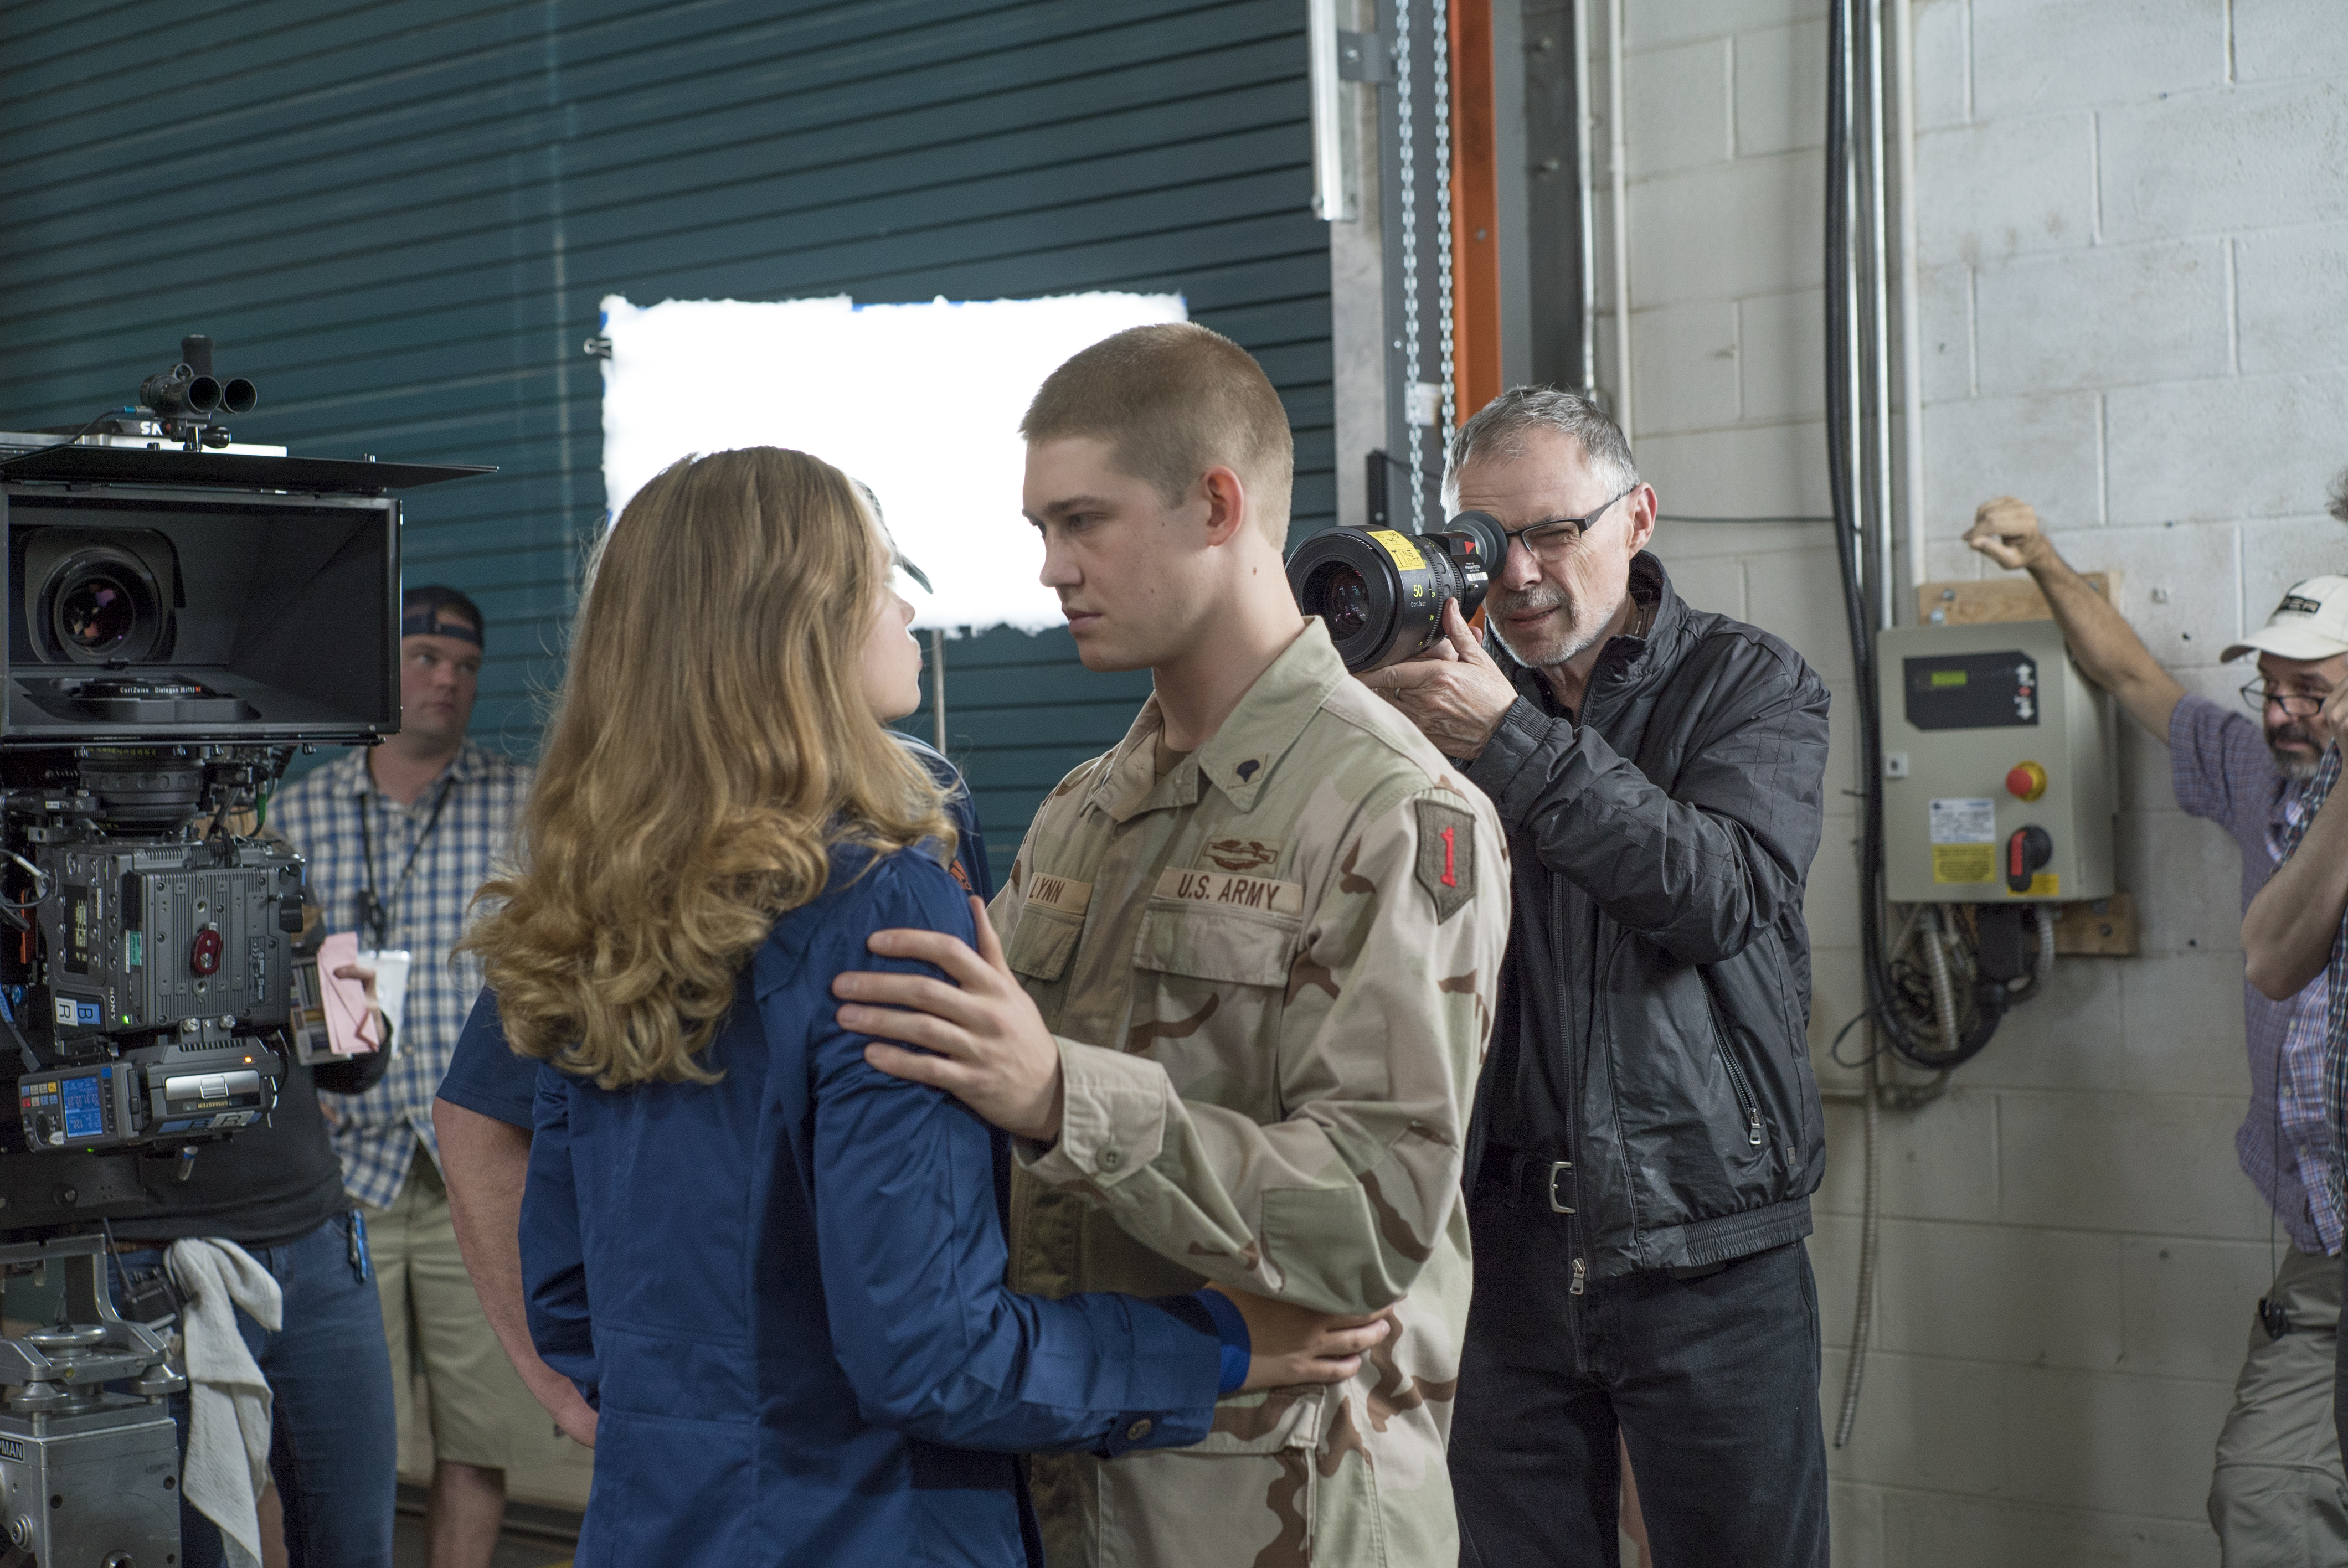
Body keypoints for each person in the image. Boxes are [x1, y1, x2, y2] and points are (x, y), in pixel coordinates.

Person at [459, 445, 1384, 1566]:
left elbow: (567, 1305)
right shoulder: (877, 901)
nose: (903, 607)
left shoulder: (587, 902)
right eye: (878, 577)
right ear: (795, 629)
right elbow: (934, 1356)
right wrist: (1220, 1345)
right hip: (874, 1527)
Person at [835, 322, 1510, 1566]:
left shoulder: (1393, 813)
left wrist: (1054, 1094)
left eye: (1083, 522)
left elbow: (1374, 1219)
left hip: (1281, 1509)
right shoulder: (1083, 807)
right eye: (1040, 528)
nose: (1050, 568)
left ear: (1215, 506)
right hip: (1065, 1487)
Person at [1366, 386, 1833, 1567]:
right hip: (1499, 1249)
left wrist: (1505, 743)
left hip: (1706, 1247)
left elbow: (1713, 891)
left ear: (1637, 520)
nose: (1516, 573)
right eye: (1482, 540)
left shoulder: (1749, 687)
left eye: (1553, 533)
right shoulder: (1440, 705)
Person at [430, 723, 995, 1452]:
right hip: (748, 1424)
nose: (904, 617)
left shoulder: (925, 791)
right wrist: (571, 1391)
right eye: (875, 599)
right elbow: (481, 1115)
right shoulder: (641, 821)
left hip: (927, 1389)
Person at [1965, 499, 2348, 1563]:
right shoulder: (2255, 778)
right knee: (2261, 1495)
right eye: (2269, 689)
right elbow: (2134, 677)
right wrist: (2043, 560)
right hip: (2320, 1247)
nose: (2281, 714)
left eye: (2310, 693)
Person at [267, 585, 554, 1568]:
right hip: (343, 1172)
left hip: (479, 1166)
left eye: (467, 666)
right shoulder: (295, 813)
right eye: (427, 656)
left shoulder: (523, 806)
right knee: (332, 1437)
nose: (449, 679)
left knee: (481, 1440)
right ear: (382, 671)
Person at [107, 942, 398, 1568]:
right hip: (153, 1264)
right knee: (185, 1548)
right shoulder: (54, 876)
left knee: (355, 1545)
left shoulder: (268, 868)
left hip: (319, 1251)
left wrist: (363, 1018)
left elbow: (349, 1068)